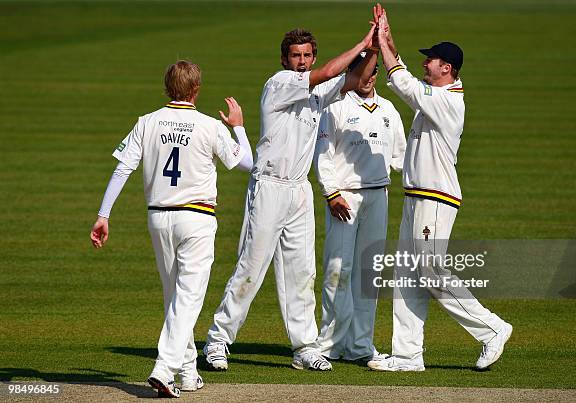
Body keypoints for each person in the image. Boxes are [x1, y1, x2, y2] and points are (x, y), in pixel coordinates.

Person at [203, 25, 379, 372]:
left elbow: (355, 77)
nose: (302, 62)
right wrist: (360, 42)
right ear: (285, 59)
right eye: (296, 56)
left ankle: (304, 346)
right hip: (269, 187)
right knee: (250, 268)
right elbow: (332, 72)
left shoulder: (318, 91)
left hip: (299, 189)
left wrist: (374, 49)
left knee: (301, 271)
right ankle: (217, 341)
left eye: (307, 56)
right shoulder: (279, 83)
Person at [89, 60, 253, 397]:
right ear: (196, 90)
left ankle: (188, 373)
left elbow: (123, 170)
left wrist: (104, 214)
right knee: (188, 298)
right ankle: (164, 369)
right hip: (196, 218)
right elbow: (247, 162)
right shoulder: (210, 126)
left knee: (175, 298)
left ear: (167, 87)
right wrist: (238, 127)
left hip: (158, 218)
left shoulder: (146, 123)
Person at [367, 6, 512, 372]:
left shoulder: (449, 101)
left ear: (446, 67)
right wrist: (385, 35)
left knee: (430, 272)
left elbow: (402, 82)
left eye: (431, 60)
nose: (426, 64)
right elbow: (403, 72)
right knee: (406, 274)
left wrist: (384, 46)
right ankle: (407, 355)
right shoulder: (436, 93)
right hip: (418, 196)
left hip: (435, 197)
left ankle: (492, 328)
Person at [313, 53, 406, 363]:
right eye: (362, 71)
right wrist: (331, 193)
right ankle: (329, 345)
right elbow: (323, 155)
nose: (368, 78)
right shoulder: (335, 107)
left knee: (369, 274)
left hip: (378, 196)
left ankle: (360, 346)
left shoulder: (390, 111)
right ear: (352, 72)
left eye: (373, 71)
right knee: (339, 270)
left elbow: (402, 159)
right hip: (345, 197)